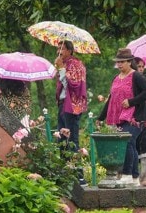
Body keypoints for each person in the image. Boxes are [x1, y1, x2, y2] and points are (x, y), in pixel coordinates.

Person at [98, 48, 146, 187]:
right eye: (118, 62)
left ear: (130, 62)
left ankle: (127, 174)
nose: (119, 65)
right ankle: (134, 178)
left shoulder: (136, 76)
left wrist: (131, 101)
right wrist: (100, 117)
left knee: (127, 141)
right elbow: (111, 99)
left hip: (137, 116)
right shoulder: (116, 78)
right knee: (130, 144)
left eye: (122, 62)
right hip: (121, 117)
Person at [54, 40, 88, 185]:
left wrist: (62, 69)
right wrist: (61, 68)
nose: (58, 52)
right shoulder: (65, 64)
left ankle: (78, 176)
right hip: (62, 105)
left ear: (69, 50)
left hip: (72, 107)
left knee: (72, 141)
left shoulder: (76, 64)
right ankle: (65, 175)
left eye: (61, 49)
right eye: (57, 49)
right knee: (61, 139)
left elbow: (74, 84)